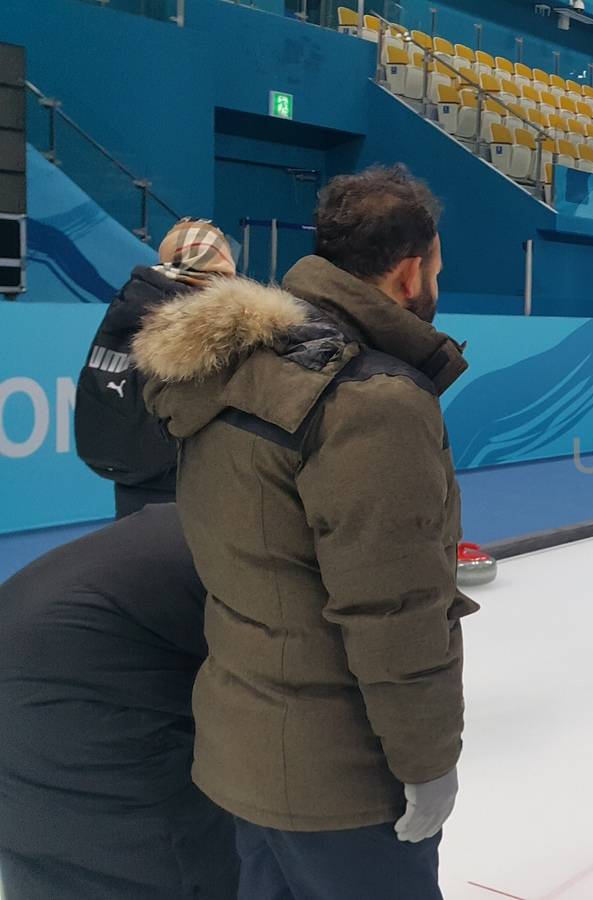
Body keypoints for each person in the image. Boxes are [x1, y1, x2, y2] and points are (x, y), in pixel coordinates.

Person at [133, 165, 474, 900]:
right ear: (410, 273)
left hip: (243, 756)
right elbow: (392, 611)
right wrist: (426, 761)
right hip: (340, 785)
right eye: (439, 267)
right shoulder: (374, 402)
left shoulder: (241, 364)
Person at [0, 504, 238, 899]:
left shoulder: (221, 520)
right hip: (67, 693)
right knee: (163, 865)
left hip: (48, 668)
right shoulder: (273, 559)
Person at [74, 219, 236, 518]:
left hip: (130, 475)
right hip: (181, 484)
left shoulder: (134, 299)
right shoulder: (201, 312)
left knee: (139, 555)